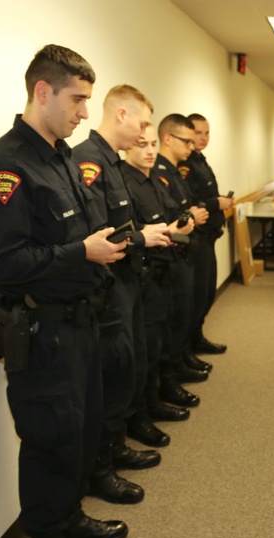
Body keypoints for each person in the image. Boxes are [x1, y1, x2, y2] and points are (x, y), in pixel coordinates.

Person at [0, 44, 126, 538]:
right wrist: (82, 254)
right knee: (50, 439)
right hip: (42, 333)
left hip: (79, 324)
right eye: (78, 100)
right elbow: (2, 262)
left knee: (78, 432)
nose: (84, 113)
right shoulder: (3, 166)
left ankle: (70, 515)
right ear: (42, 91)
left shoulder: (58, 156)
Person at [73, 85, 168, 505]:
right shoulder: (89, 163)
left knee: (129, 367)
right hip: (108, 288)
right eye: (144, 122)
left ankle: (114, 448)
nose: (146, 133)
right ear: (123, 114)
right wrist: (142, 238)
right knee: (112, 375)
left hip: (125, 283)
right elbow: (96, 236)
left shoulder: (109, 163)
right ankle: (100, 469)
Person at [121, 125, 197, 429]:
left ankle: (155, 399)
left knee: (161, 339)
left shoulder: (153, 179)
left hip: (164, 271)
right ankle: (141, 414)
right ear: (128, 146)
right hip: (144, 276)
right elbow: (134, 232)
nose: (150, 151)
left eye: (153, 144)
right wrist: (171, 231)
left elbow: (169, 214)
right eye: (143, 145)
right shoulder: (125, 181)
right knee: (145, 349)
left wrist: (182, 224)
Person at [154, 114, 210, 407]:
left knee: (186, 311)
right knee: (171, 321)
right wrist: (190, 215)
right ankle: (169, 377)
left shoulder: (177, 170)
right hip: (169, 256)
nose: (192, 145)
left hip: (184, 250)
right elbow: (167, 215)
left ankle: (178, 362)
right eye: (187, 140)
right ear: (168, 138)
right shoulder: (159, 172)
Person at [179, 113, 232, 358]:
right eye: (198, 133)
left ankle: (196, 337)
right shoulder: (186, 164)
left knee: (206, 293)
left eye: (207, 133)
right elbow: (189, 202)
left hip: (209, 237)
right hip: (196, 237)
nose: (203, 138)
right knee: (196, 295)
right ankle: (187, 346)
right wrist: (215, 203)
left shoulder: (200, 160)